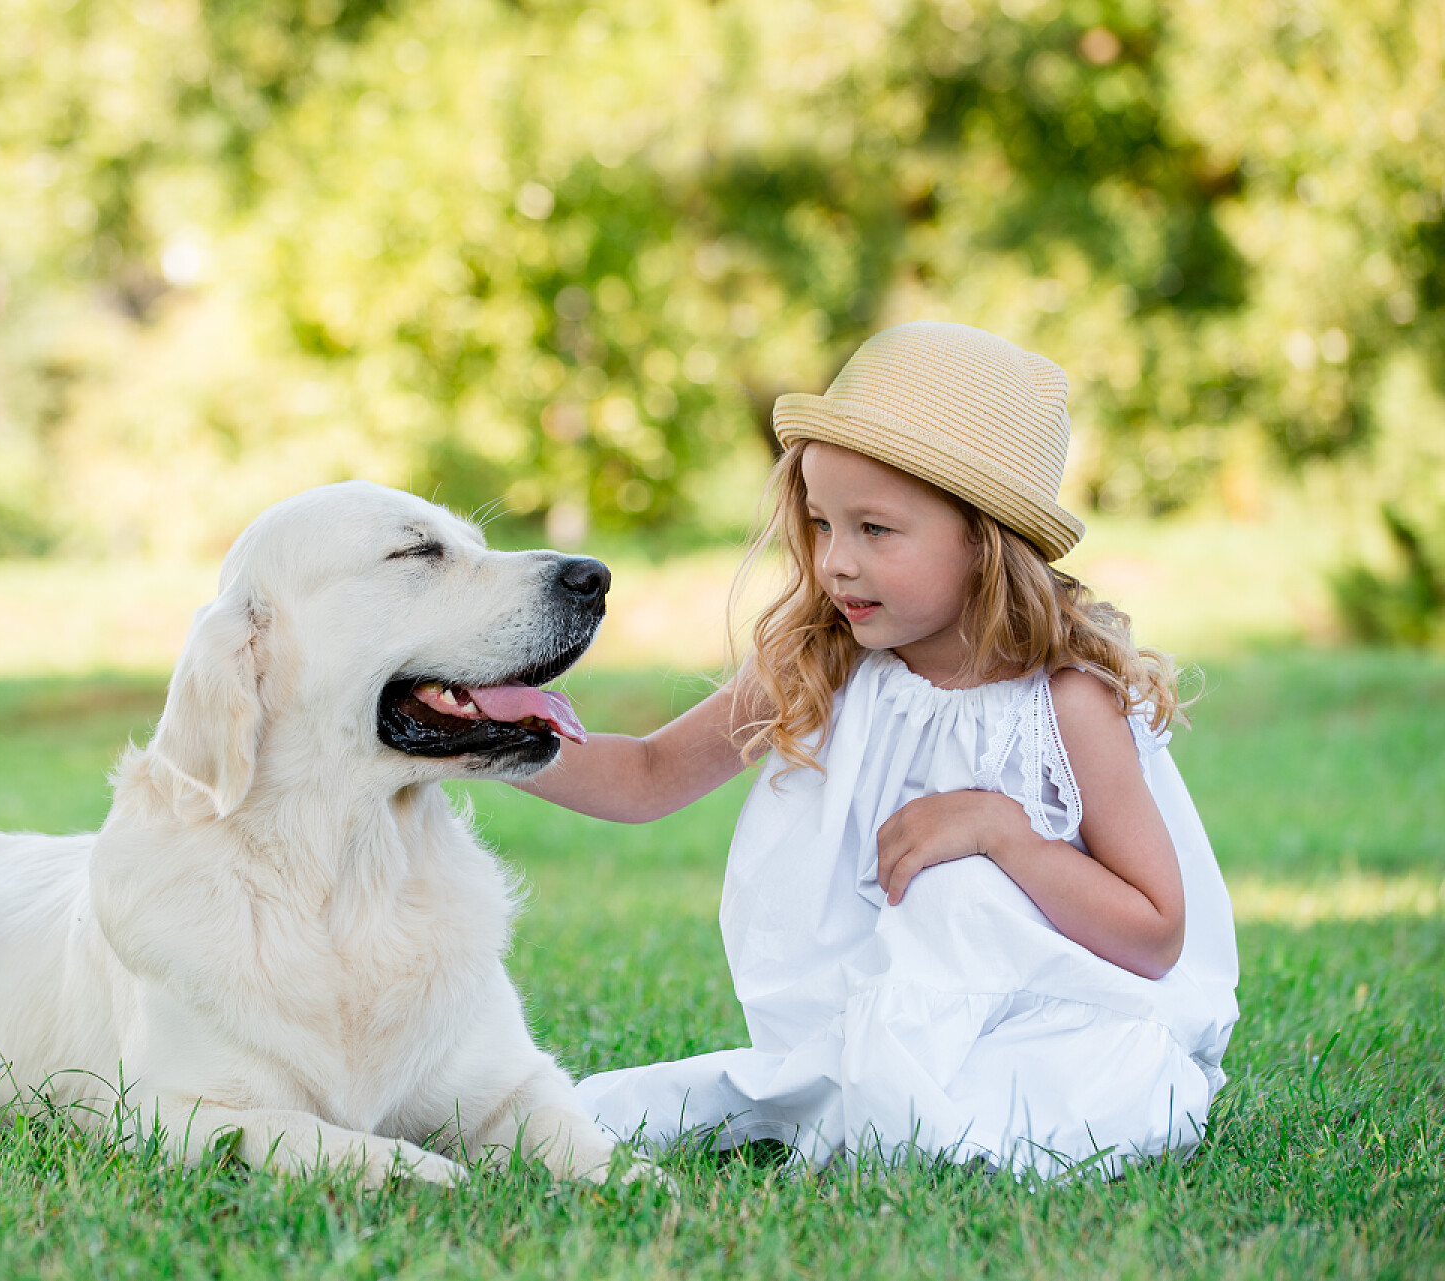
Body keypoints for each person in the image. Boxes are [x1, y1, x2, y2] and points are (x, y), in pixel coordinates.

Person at [521, 321, 1239, 1176]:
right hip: (867, 1019)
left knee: (979, 969)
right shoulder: (816, 661)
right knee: (782, 1100)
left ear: (983, 539)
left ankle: (896, 1102)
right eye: (822, 523)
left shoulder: (1066, 700)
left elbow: (1155, 934)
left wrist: (1002, 831)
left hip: (1058, 1019)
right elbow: (645, 776)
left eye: (875, 530)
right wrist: (493, 736)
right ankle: (875, 1086)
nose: (834, 564)